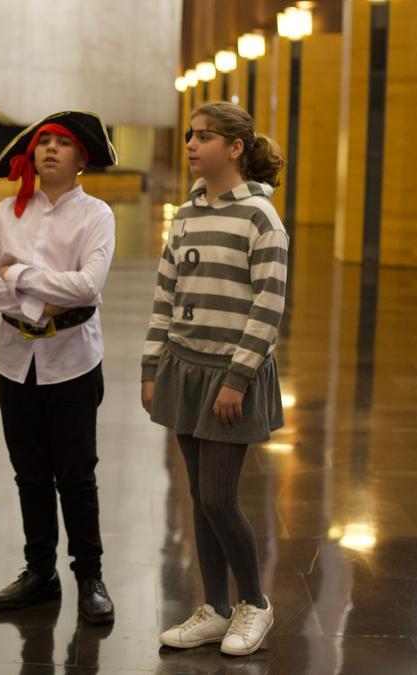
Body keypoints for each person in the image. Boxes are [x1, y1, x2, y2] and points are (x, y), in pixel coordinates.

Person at [146, 101, 287, 656]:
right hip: (185, 367)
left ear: (235, 148)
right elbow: (165, 295)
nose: (191, 144)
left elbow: (268, 307)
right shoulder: (185, 215)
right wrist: (152, 366)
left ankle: (254, 603)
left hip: (232, 375)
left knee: (218, 497)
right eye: (189, 135)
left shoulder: (260, 219)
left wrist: (237, 379)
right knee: (198, 496)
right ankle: (215, 608)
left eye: (204, 136)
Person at [0, 111, 117, 625]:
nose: (49, 149)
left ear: (82, 159)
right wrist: (36, 300)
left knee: (76, 475)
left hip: (74, 360)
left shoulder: (96, 215)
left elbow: (88, 287)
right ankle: (40, 572)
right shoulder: (7, 212)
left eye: (61, 143)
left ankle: (90, 575)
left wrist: (18, 274)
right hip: (14, 362)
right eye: (42, 142)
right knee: (29, 473)